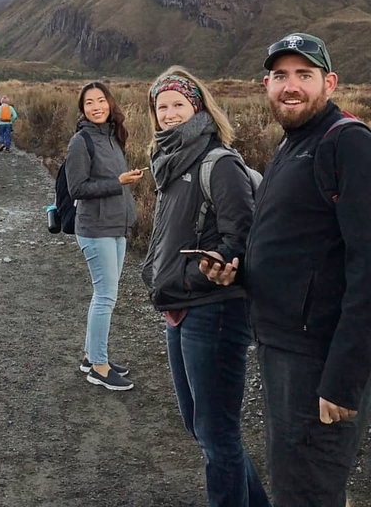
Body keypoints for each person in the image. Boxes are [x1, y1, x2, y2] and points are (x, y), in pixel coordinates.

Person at [202, 33, 371, 507]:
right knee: (296, 482)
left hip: (317, 359)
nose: (290, 86)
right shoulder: (293, 144)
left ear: (330, 83)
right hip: (283, 348)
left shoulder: (348, 144)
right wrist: (237, 270)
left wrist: (344, 377)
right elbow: (295, 249)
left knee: (306, 491)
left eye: (304, 75)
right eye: (281, 76)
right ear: (266, 84)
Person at [141, 66, 270, 507]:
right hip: (181, 305)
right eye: (163, 107)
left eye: (180, 104)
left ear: (198, 108)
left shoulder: (219, 162)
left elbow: (241, 239)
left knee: (216, 434)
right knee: (203, 427)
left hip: (215, 308)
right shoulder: (170, 159)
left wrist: (191, 276)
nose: (171, 114)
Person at [64, 81, 145, 391]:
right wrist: (118, 181)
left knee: (104, 296)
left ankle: (90, 355)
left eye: (101, 100)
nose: (96, 106)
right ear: (82, 109)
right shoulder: (80, 141)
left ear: (111, 104)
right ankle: (99, 366)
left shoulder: (113, 137)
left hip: (116, 226)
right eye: (89, 103)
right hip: (95, 229)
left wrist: (123, 183)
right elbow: (78, 189)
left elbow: (113, 182)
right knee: (105, 298)